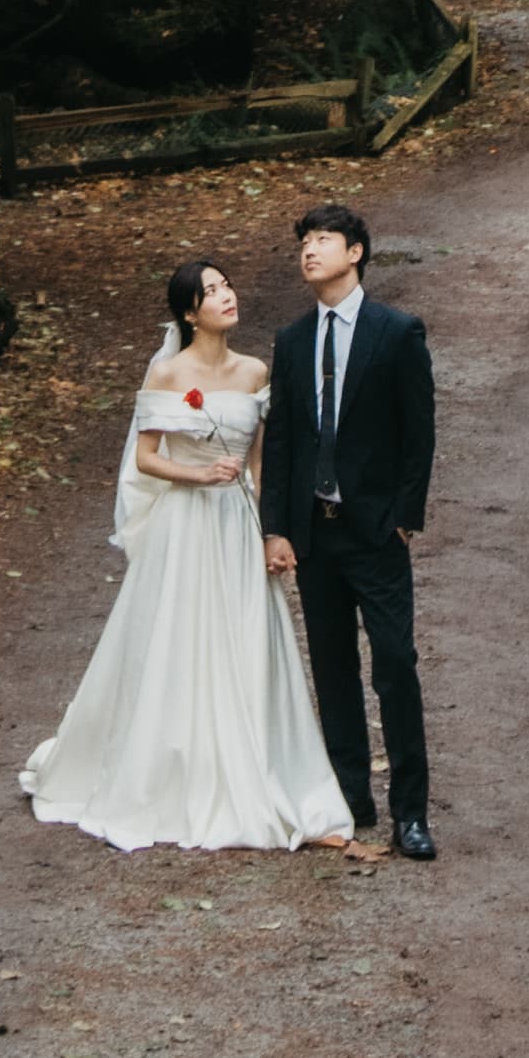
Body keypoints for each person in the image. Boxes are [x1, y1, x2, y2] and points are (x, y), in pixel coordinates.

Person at [20, 258, 361, 853]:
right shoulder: (170, 373)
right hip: (187, 522)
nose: (226, 295)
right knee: (182, 640)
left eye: (226, 284)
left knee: (248, 637)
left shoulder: (256, 370)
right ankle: (178, 771)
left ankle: (265, 771)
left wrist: (267, 529)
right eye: (211, 291)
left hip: (236, 518)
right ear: (188, 312)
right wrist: (197, 475)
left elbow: (259, 459)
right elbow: (146, 459)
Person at [260, 201, 436, 859]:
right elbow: (281, 443)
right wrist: (275, 527)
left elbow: (419, 434)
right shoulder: (292, 341)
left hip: (375, 534)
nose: (310, 250)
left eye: (323, 239)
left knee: (394, 664)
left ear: (355, 253)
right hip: (315, 534)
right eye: (304, 241)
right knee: (332, 669)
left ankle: (410, 813)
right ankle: (350, 795)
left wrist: (403, 520)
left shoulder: (397, 333)